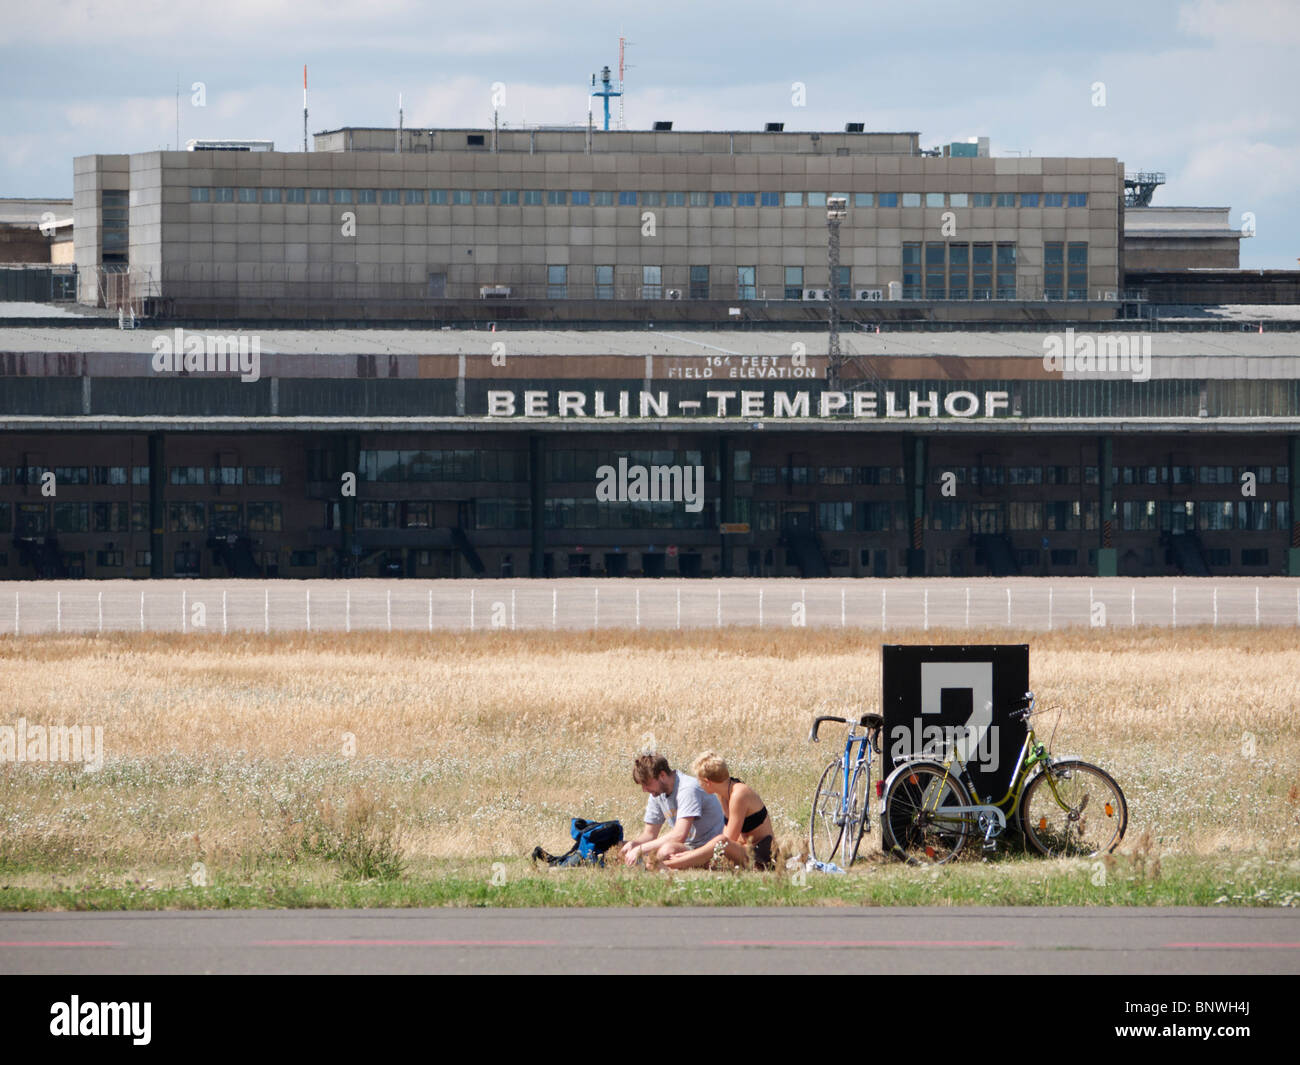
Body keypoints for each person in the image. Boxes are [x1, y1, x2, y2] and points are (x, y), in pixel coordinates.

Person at [662, 752, 776, 871]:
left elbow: (728, 840)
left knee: (719, 842)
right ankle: (682, 862)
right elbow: (728, 835)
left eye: (699, 780)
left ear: (707, 782)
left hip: (761, 855)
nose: (698, 784)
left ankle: (674, 863)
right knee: (683, 849)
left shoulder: (739, 795)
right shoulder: (725, 794)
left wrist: (695, 854)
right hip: (744, 849)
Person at [620, 753, 726, 867]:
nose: (644, 789)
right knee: (620, 847)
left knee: (667, 850)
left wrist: (640, 849)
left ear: (662, 775)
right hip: (687, 847)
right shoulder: (657, 793)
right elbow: (649, 834)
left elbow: (679, 835)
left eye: (647, 784)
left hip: (708, 847)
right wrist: (634, 844)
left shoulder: (688, 789)